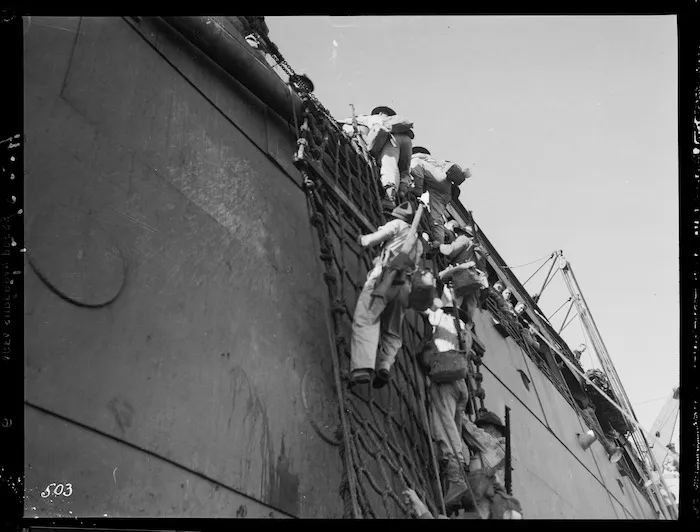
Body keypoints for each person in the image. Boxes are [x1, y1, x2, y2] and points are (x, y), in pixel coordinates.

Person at [350, 202, 424, 389]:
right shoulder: (419, 243)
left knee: (367, 318)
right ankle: (385, 364)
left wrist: (361, 239)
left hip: (384, 279)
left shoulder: (396, 225)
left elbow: (371, 240)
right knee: (392, 330)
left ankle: (363, 368)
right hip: (404, 287)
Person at [424, 286, 472, 510]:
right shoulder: (465, 330)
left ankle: (456, 478)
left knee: (444, 428)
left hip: (444, 380)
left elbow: (426, 308)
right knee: (454, 427)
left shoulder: (440, 316)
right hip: (461, 384)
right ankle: (460, 477)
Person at [340, 106, 414, 207]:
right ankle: (398, 191)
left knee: (389, 159)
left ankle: (390, 193)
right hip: (405, 140)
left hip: (384, 140)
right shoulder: (398, 127)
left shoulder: (371, 118)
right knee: (398, 166)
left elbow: (378, 126)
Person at [410, 147, 470, 245]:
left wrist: (416, 189)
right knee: (436, 218)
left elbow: (419, 176)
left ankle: (417, 188)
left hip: (438, 179)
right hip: (445, 189)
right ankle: (439, 242)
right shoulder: (435, 162)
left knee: (415, 162)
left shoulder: (419, 157)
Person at [437, 222, 489, 326]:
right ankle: (467, 327)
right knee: (469, 307)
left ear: (464, 232)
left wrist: (439, 245)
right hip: (475, 281)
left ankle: (447, 321)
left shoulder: (464, 239)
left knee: (453, 302)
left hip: (461, 276)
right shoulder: (477, 249)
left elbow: (450, 251)